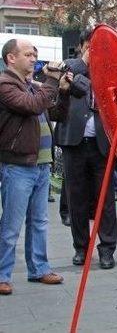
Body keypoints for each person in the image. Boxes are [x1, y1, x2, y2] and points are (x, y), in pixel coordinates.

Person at [0, 39, 71, 295]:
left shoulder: (34, 86)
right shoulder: (6, 84)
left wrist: (61, 91)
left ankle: (39, 268)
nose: (33, 59)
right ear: (11, 58)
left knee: (39, 221)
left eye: (35, 54)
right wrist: (52, 80)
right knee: (11, 224)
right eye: (28, 54)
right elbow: (32, 106)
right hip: (18, 164)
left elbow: (56, 115)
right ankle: (2, 274)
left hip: (41, 164)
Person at [54, 29, 117, 270]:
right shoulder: (71, 66)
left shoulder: (109, 71)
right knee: (76, 198)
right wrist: (86, 62)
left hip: (102, 145)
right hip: (74, 142)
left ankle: (107, 249)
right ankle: (81, 248)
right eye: (90, 46)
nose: (94, 51)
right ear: (81, 46)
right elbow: (69, 75)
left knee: (106, 201)